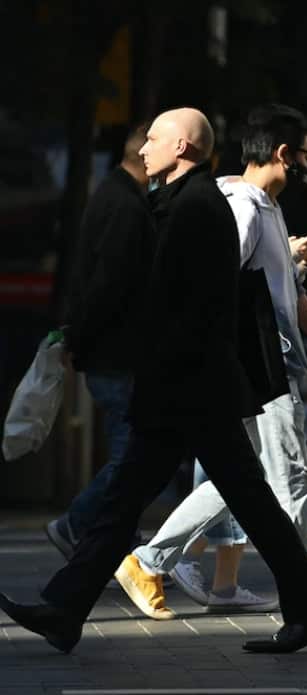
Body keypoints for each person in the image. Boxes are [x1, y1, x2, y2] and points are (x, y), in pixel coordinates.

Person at [0, 107, 307, 654]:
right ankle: (64, 609)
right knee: (151, 499)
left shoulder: (198, 208)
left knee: (237, 500)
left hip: (190, 387)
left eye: (153, 139)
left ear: (181, 147)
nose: (143, 147)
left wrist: (145, 358)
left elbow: (189, 306)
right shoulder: (182, 204)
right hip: (188, 386)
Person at [114, 104, 307, 624]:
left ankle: (149, 560)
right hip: (259, 367)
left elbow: (283, 292)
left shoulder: (267, 209)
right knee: (291, 477)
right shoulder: (244, 208)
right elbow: (224, 292)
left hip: (269, 364)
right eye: (305, 155)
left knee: (242, 478)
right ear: (282, 153)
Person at [46, 123, 155, 557]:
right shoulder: (125, 205)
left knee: (130, 450)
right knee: (130, 454)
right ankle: (78, 524)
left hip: (108, 349)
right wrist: (82, 337)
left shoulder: (114, 195)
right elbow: (107, 283)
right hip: (116, 352)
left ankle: (113, 536)